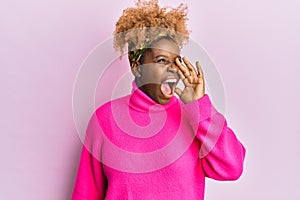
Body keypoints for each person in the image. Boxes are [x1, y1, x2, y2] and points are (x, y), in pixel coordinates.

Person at [71, 0, 246, 199]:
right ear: (137, 67)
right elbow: (86, 194)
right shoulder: (104, 120)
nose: (173, 69)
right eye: (162, 60)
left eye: (176, 61)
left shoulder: (193, 118)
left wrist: (200, 108)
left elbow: (233, 168)